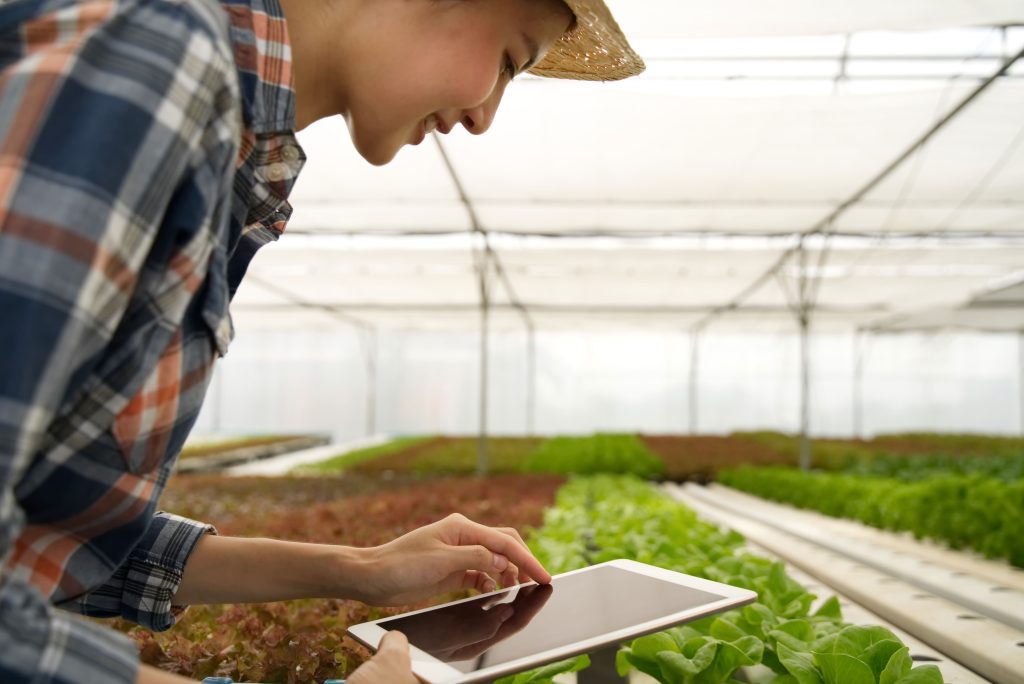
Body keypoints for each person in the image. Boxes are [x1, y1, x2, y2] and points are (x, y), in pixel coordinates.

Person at [0, 0, 644, 681]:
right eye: (511, 60)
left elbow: (65, 544)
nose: (485, 117)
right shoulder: (162, 61)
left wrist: (361, 569)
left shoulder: (219, 125)